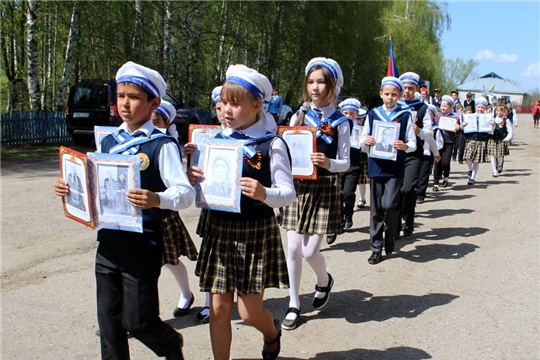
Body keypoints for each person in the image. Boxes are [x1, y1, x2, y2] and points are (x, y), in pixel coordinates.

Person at [54, 61, 193, 360]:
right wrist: (70, 188)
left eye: (134, 97)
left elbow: (185, 194)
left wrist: (157, 199)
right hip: (107, 244)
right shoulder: (108, 140)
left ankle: (171, 345)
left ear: (154, 103)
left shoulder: (160, 145)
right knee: (109, 325)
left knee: (139, 322)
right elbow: (95, 185)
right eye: (120, 96)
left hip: (143, 245)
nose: (125, 104)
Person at [189, 64, 295, 360]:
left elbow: (288, 195)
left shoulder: (271, 144)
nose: (226, 110)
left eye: (235, 103)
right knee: (219, 310)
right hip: (218, 229)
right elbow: (196, 191)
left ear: (257, 105)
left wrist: (264, 194)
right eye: (223, 103)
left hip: (254, 233)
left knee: (248, 313)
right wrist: (192, 175)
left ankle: (272, 331)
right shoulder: (212, 143)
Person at [279, 57, 351, 329]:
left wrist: (328, 163)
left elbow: (345, 162)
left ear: (333, 86)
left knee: (310, 252)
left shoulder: (342, 121)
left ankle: (324, 281)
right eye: (311, 82)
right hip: (297, 187)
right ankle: (294, 303)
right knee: (294, 248)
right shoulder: (298, 116)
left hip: (324, 187)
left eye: (321, 82)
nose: (315, 87)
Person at [359, 76, 416, 265]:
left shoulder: (406, 115)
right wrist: (365, 142)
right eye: (387, 94)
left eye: (394, 94)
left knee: (390, 205)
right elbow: (362, 138)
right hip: (377, 165)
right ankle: (375, 248)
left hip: (395, 166)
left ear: (399, 96)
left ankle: (391, 235)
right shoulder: (373, 114)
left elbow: (413, 143)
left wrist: (404, 145)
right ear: (381, 94)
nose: (390, 98)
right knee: (376, 209)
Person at [151, 100, 199, 318]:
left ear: (166, 122)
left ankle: (186, 294)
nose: (153, 124)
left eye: (157, 121)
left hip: (163, 210)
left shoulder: (165, 143)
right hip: (138, 213)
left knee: (170, 259)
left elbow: (179, 183)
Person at [396, 71, 433, 238]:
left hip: (414, 153)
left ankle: (408, 219)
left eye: (410, 88)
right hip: (396, 153)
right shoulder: (395, 105)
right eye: (404, 88)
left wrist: (420, 132)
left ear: (416, 88)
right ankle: (395, 223)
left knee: (408, 188)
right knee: (395, 189)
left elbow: (429, 133)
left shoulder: (422, 108)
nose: (407, 92)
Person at [337, 98, 365, 234]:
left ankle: (348, 214)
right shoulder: (336, 127)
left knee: (348, 193)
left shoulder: (360, 129)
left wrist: (364, 142)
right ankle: (339, 219)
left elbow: (365, 147)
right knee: (337, 194)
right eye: (346, 113)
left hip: (353, 165)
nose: (349, 116)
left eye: (351, 113)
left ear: (356, 114)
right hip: (337, 165)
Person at [432, 95, 461, 191]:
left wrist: (458, 128)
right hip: (438, 142)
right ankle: (436, 183)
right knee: (437, 161)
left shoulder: (455, 118)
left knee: (445, 162)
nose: (443, 108)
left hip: (449, 142)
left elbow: (458, 130)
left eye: (445, 106)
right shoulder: (437, 117)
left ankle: (446, 177)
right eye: (442, 106)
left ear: (451, 107)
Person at [416, 105, 442, 204]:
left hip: (427, 154)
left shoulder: (434, 129)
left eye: (431, 114)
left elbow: (436, 141)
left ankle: (420, 194)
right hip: (417, 152)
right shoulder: (418, 127)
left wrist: (436, 152)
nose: (429, 116)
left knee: (424, 174)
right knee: (416, 174)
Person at [462, 96, 489, 185]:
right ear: (476, 107)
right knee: (468, 158)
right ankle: (470, 169)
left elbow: (491, 130)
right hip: (471, 139)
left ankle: (473, 177)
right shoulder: (470, 116)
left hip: (481, 140)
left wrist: (492, 125)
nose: (480, 109)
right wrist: (463, 125)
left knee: (476, 161)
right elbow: (464, 129)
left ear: (485, 108)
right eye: (479, 107)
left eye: (482, 107)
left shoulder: (487, 117)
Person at [486, 104, 513, 177]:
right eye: (498, 110)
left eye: (501, 111)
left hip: (502, 139)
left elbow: (510, 130)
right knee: (493, 155)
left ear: (504, 112)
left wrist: (508, 138)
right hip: (493, 139)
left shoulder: (506, 120)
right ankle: (494, 171)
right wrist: (492, 125)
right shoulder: (493, 119)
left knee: (500, 155)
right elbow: (489, 130)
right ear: (496, 111)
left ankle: (500, 165)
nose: (499, 112)